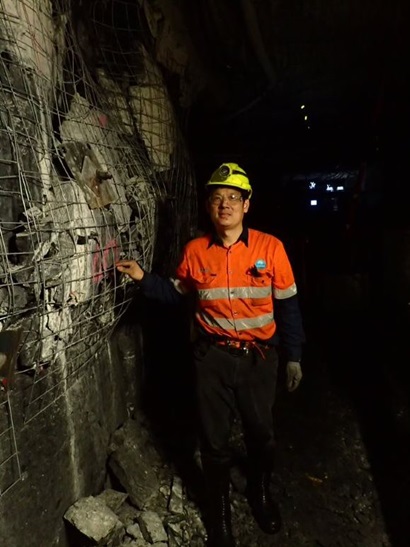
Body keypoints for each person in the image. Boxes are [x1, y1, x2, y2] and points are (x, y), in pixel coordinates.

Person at [116, 162, 305, 547]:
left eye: (233, 197)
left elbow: (288, 307)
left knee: (261, 434)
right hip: (212, 359)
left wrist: (294, 355)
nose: (225, 205)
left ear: (247, 205)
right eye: (217, 198)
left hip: (258, 358)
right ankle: (219, 514)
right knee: (213, 441)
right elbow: (176, 293)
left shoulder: (271, 248)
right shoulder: (196, 251)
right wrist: (143, 278)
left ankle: (261, 493)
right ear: (208, 206)